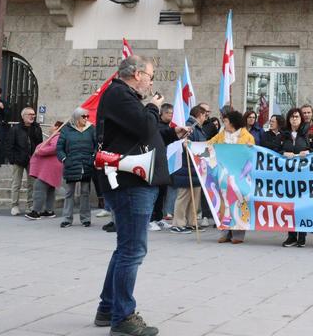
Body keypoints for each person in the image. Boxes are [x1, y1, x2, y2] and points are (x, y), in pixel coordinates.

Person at [94, 55, 186, 335]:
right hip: (131, 184)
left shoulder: (123, 97)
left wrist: (170, 134)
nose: (151, 81)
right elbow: (145, 127)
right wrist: (153, 108)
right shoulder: (120, 95)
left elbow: (141, 135)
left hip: (134, 181)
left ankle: (108, 308)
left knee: (125, 248)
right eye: (150, 75)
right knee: (133, 251)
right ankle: (122, 318)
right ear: (136, 73)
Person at [209, 110, 255, 245]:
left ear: (233, 122)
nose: (224, 122)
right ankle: (225, 231)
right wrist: (191, 144)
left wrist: (251, 148)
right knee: (224, 202)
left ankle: (238, 234)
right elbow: (209, 144)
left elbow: (251, 155)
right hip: (224, 174)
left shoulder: (247, 136)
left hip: (240, 174)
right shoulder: (221, 135)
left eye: (226, 121)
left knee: (239, 202)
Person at [280, 108, 313, 247]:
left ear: (301, 118)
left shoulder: (310, 134)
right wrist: (283, 153)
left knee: (302, 205)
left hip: (304, 176)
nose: (294, 119)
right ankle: (291, 235)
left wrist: (309, 151)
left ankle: (302, 235)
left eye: (297, 116)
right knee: (289, 206)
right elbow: (272, 151)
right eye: (291, 117)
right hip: (288, 176)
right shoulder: (283, 135)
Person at [57, 107, 98, 228]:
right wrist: (65, 159)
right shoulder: (66, 130)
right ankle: (66, 219)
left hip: (86, 165)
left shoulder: (91, 129)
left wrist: (93, 158)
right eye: (83, 116)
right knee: (69, 192)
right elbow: (59, 148)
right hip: (71, 165)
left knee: (85, 192)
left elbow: (97, 146)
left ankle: (85, 219)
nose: (86, 119)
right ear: (76, 117)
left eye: (87, 116)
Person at [170, 105, 208, 234]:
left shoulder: (198, 128)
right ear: (199, 115)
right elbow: (186, 145)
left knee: (194, 198)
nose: (205, 118)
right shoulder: (190, 127)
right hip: (186, 168)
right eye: (205, 115)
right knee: (184, 197)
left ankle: (192, 222)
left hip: (195, 168)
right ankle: (178, 223)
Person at [6, 106, 43, 216]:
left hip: (32, 160)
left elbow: (40, 144)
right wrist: (12, 159)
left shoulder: (36, 128)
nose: (32, 116)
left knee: (32, 184)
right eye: (30, 114)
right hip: (18, 160)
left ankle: (30, 205)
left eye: (33, 114)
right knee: (16, 183)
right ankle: (14, 205)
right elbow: (9, 145)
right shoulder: (15, 129)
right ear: (23, 116)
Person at [24, 122, 64, 220]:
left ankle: (36, 211)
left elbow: (54, 148)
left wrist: (40, 151)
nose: (50, 127)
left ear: (57, 127)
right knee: (50, 190)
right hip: (51, 168)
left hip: (49, 169)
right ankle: (49, 211)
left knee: (39, 187)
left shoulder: (57, 137)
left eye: (52, 125)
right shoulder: (57, 137)